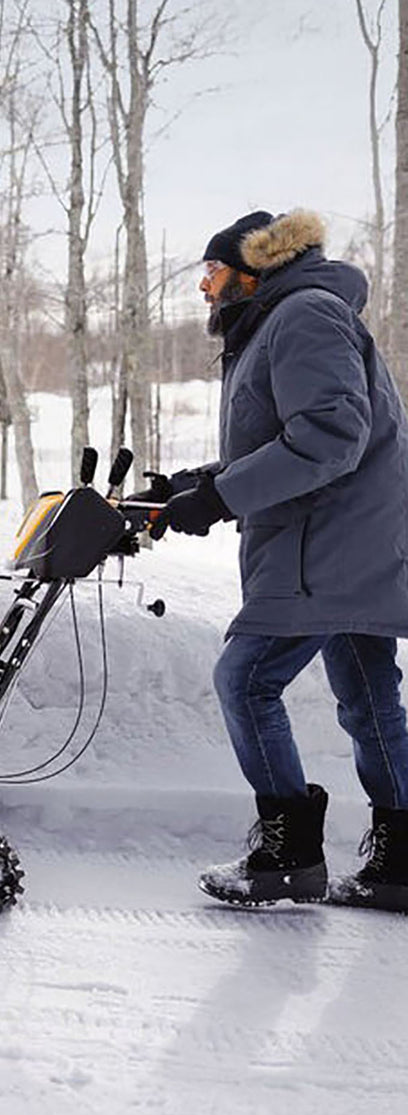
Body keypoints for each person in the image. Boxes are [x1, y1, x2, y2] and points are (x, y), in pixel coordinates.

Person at [133, 208, 408, 912]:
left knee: (247, 679)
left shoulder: (302, 316)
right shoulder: (285, 319)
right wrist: (196, 486)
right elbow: (287, 436)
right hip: (351, 539)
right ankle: (401, 863)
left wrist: (222, 497)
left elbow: (329, 438)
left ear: (252, 271)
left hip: (326, 542)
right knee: (369, 699)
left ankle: (286, 854)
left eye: (213, 270)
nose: (204, 287)